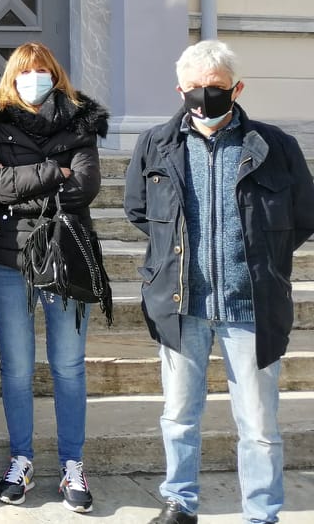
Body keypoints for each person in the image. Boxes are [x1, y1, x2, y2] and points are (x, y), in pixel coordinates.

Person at [124, 40, 314, 524]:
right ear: (179, 90)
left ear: (237, 89)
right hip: (182, 303)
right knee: (179, 416)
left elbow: (302, 216)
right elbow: (139, 211)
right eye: (194, 89)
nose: (205, 97)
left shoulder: (275, 146)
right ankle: (180, 502)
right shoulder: (155, 144)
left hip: (250, 304)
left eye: (216, 88)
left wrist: (260, 259)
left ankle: (261, 513)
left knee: (258, 425)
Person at [0, 42, 108, 513]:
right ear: (12, 76)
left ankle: (73, 463)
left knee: (69, 365)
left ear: (55, 75)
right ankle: (22, 459)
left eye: (43, 70)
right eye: (25, 70)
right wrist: (56, 170)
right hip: (9, 259)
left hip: (67, 253)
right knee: (16, 366)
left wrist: (26, 184)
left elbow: (85, 188)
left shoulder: (81, 122)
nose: (34, 77)